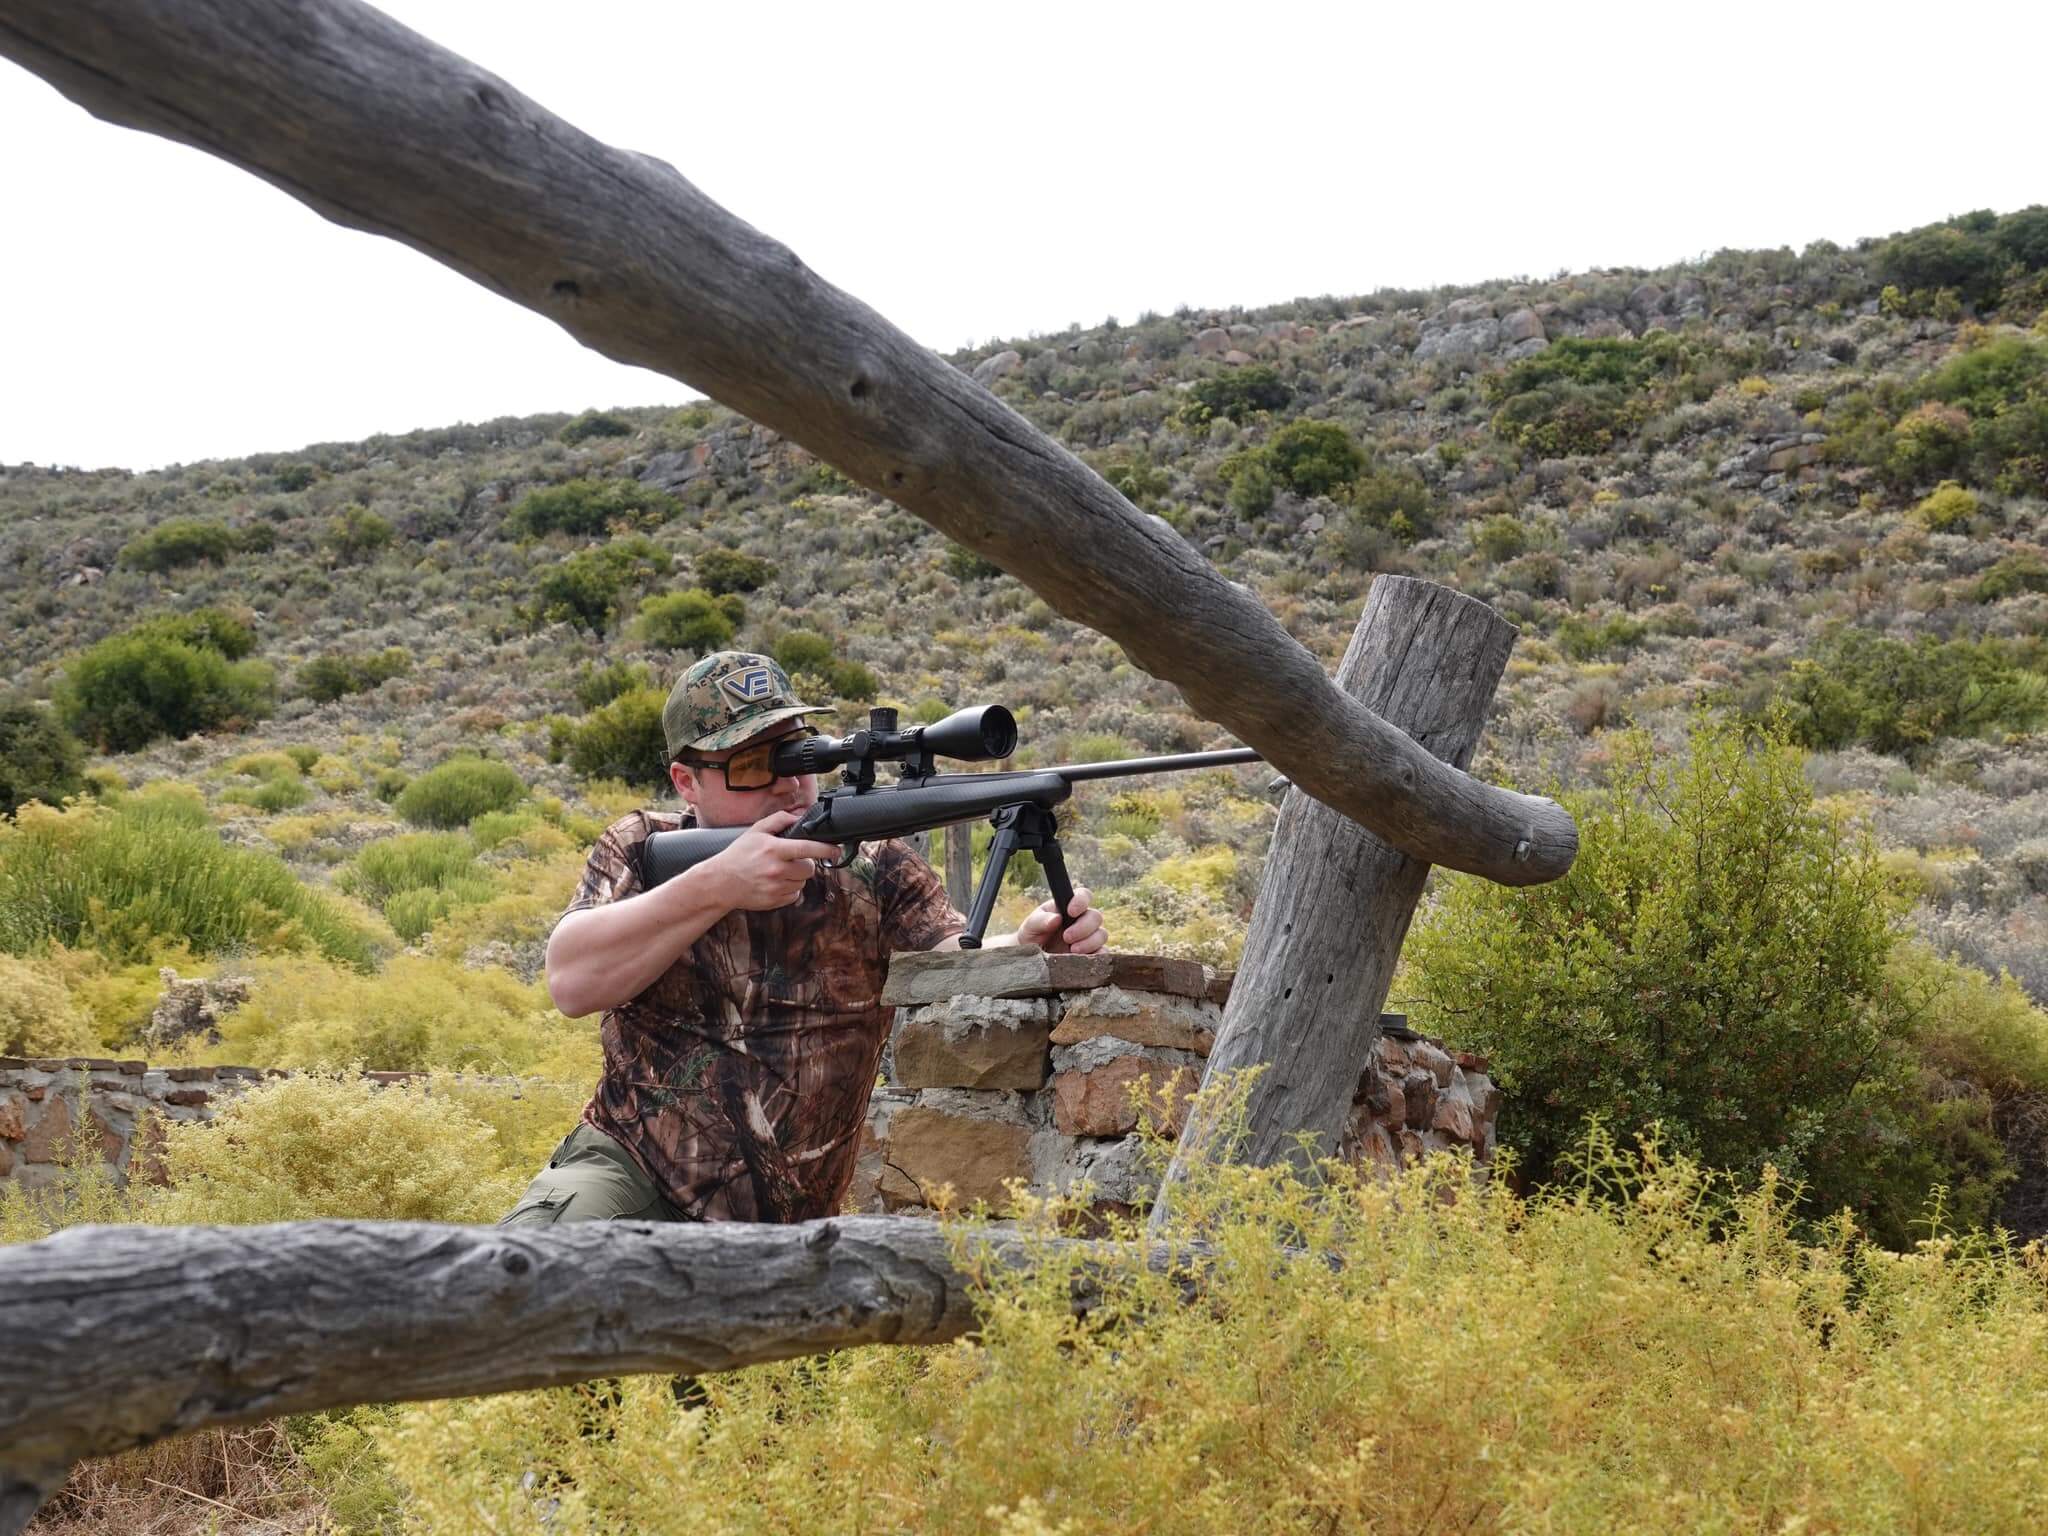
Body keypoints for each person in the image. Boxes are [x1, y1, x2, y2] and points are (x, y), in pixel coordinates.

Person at [501, 649, 1107, 1228]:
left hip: (792, 1219)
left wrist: (1026, 948)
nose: (788, 785)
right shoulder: (640, 846)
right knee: (523, 1265)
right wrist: (719, 884)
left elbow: (949, 965)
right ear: (687, 781)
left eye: (800, 756)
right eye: (752, 766)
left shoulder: (875, 864)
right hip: (637, 1174)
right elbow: (571, 982)